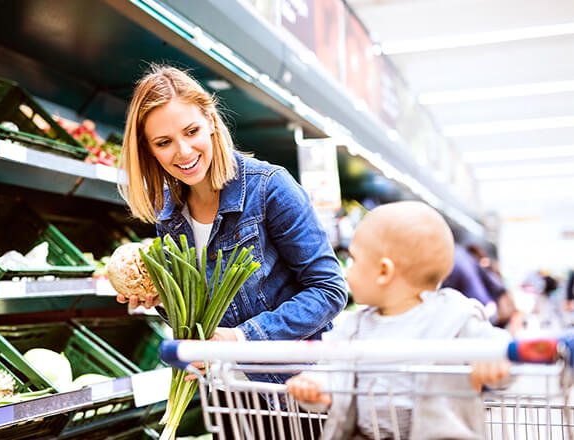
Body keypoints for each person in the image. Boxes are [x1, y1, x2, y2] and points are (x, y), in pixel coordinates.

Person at [115, 65, 348, 358]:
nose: (184, 151)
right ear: (148, 149)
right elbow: (203, 323)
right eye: (164, 142)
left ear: (211, 121)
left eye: (192, 131)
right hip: (229, 391)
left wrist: (241, 338)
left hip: (296, 385)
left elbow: (329, 290)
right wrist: (165, 300)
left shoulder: (269, 188)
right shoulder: (169, 214)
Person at [286, 201, 511, 440]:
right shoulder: (354, 326)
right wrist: (314, 385)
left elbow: (502, 346)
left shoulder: (453, 314)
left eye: (353, 260)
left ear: (384, 272)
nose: (346, 272)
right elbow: (332, 370)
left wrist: (496, 358)